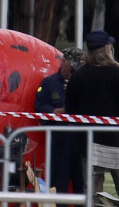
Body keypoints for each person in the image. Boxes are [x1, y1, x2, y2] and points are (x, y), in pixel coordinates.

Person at [65, 30, 119, 200]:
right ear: (106, 48)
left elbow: (71, 111)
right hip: (116, 143)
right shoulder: (117, 74)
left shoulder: (78, 77)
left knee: (90, 191)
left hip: (88, 143)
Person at [35, 47, 84, 196]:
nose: (73, 71)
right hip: (59, 139)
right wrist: (54, 112)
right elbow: (39, 107)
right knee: (58, 181)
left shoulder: (84, 83)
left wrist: (74, 91)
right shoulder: (49, 83)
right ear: (64, 62)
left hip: (80, 139)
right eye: (72, 67)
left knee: (81, 182)